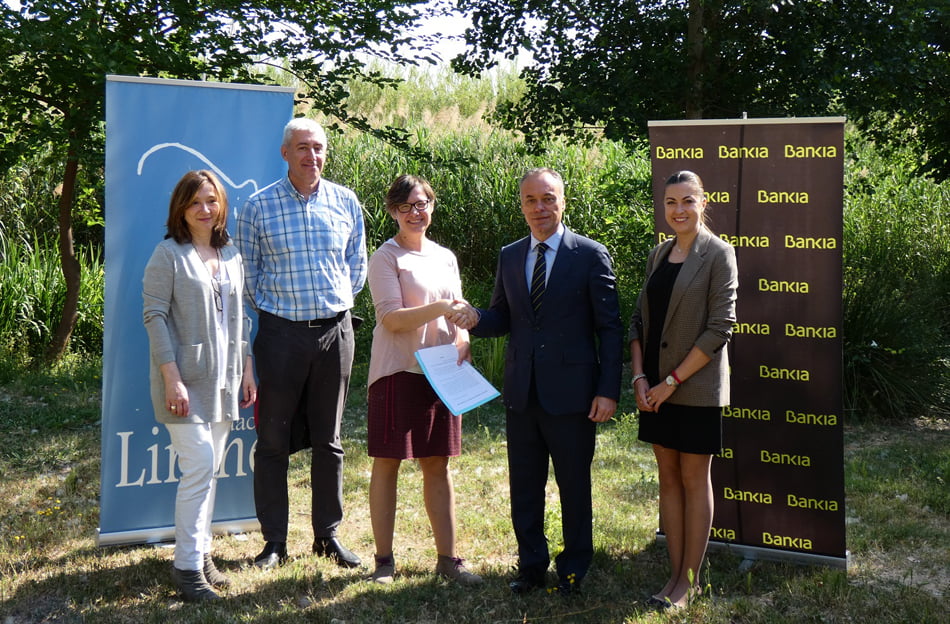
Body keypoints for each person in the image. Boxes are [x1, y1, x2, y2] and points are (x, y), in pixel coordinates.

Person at [458, 167, 624, 595]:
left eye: (548, 198)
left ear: (562, 202)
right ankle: (531, 565)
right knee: (525, 487)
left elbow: (610, 329)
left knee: (574, 486)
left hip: (573, 395)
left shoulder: (590, 255)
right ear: (522, 206)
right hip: (522, 392)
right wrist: (475, 318)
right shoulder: (511, 255)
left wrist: (607, 390)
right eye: (531, 200)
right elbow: (502, 317)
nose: (539, 208)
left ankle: (573, 568)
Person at [234, 117, 367, 570]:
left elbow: (356, 265)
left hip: (335, 333)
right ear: (285, 153)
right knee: (272, 441)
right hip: (280, 336)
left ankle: (327, 536)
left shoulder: (345, 201)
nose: (312, 155)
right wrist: (280, 311)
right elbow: (248, 275)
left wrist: (334, 305)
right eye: (303, 147)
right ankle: (274, 542)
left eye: (319, 147)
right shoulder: (258, 206)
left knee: (329, 440)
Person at [143, 170, 257, 602]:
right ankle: (187, 568)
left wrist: (247, 370)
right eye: (195, 202)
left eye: (211, 200)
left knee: (209, 472)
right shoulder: (167, 254)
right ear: (181, 208)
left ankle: (202, 554)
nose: (205, 209)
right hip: (184, 383)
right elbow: (154, 317)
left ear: (221, 204)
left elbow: (241, 320)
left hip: (225, 382)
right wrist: (172, 379)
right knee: (200, 467)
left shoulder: (232, 254)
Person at [364, 175, 483, 586]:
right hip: (398, 371)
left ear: (431, 206)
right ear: (393, 212)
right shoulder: (386, 257)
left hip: (442, 373)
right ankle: (384, 562)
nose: (415, 213)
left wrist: (464, 339)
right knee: (388, 463)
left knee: (438, 463)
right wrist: (440, 308)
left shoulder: (445, 257)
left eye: (421, 204)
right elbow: (391, 319)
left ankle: (448, 560)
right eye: (405, 206)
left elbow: (459, 312)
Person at [628, 170, 738, 609]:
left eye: (687, 201)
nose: (679, 210)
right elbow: (639, 321)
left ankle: (689, 584)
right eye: (671, 202)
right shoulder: (658, 254)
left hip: (693, 388)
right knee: (668, 480)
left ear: (703, 203)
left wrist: (671, 382)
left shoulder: (719, 254)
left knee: (694, 479)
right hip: (654, 389)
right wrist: (641, 378)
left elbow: (720, 329)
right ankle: (673, 577)